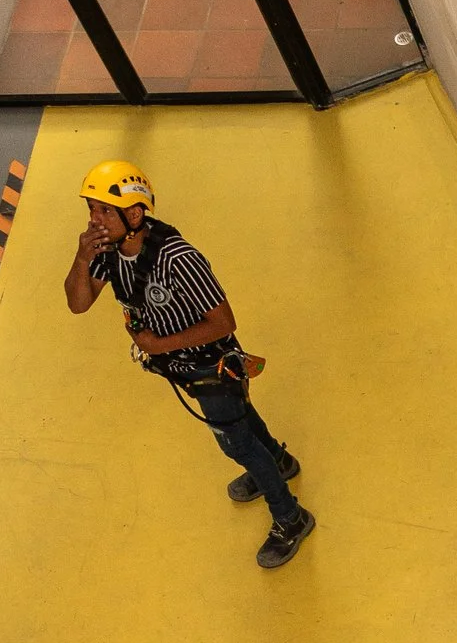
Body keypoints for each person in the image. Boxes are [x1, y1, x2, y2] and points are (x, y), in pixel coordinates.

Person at [62, 164, 316, 569]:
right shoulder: (105, 253)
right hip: (177, 364)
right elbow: (78, 303)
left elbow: (223, 323)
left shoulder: (178, 259)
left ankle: (290, 516)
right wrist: (80, 255)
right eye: (91, 209)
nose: (94, 220)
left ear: (135, 214)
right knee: (242, 417)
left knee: (236, 442)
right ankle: (280, 463)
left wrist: (156, 344)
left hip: (210, 364)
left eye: (104, 211)